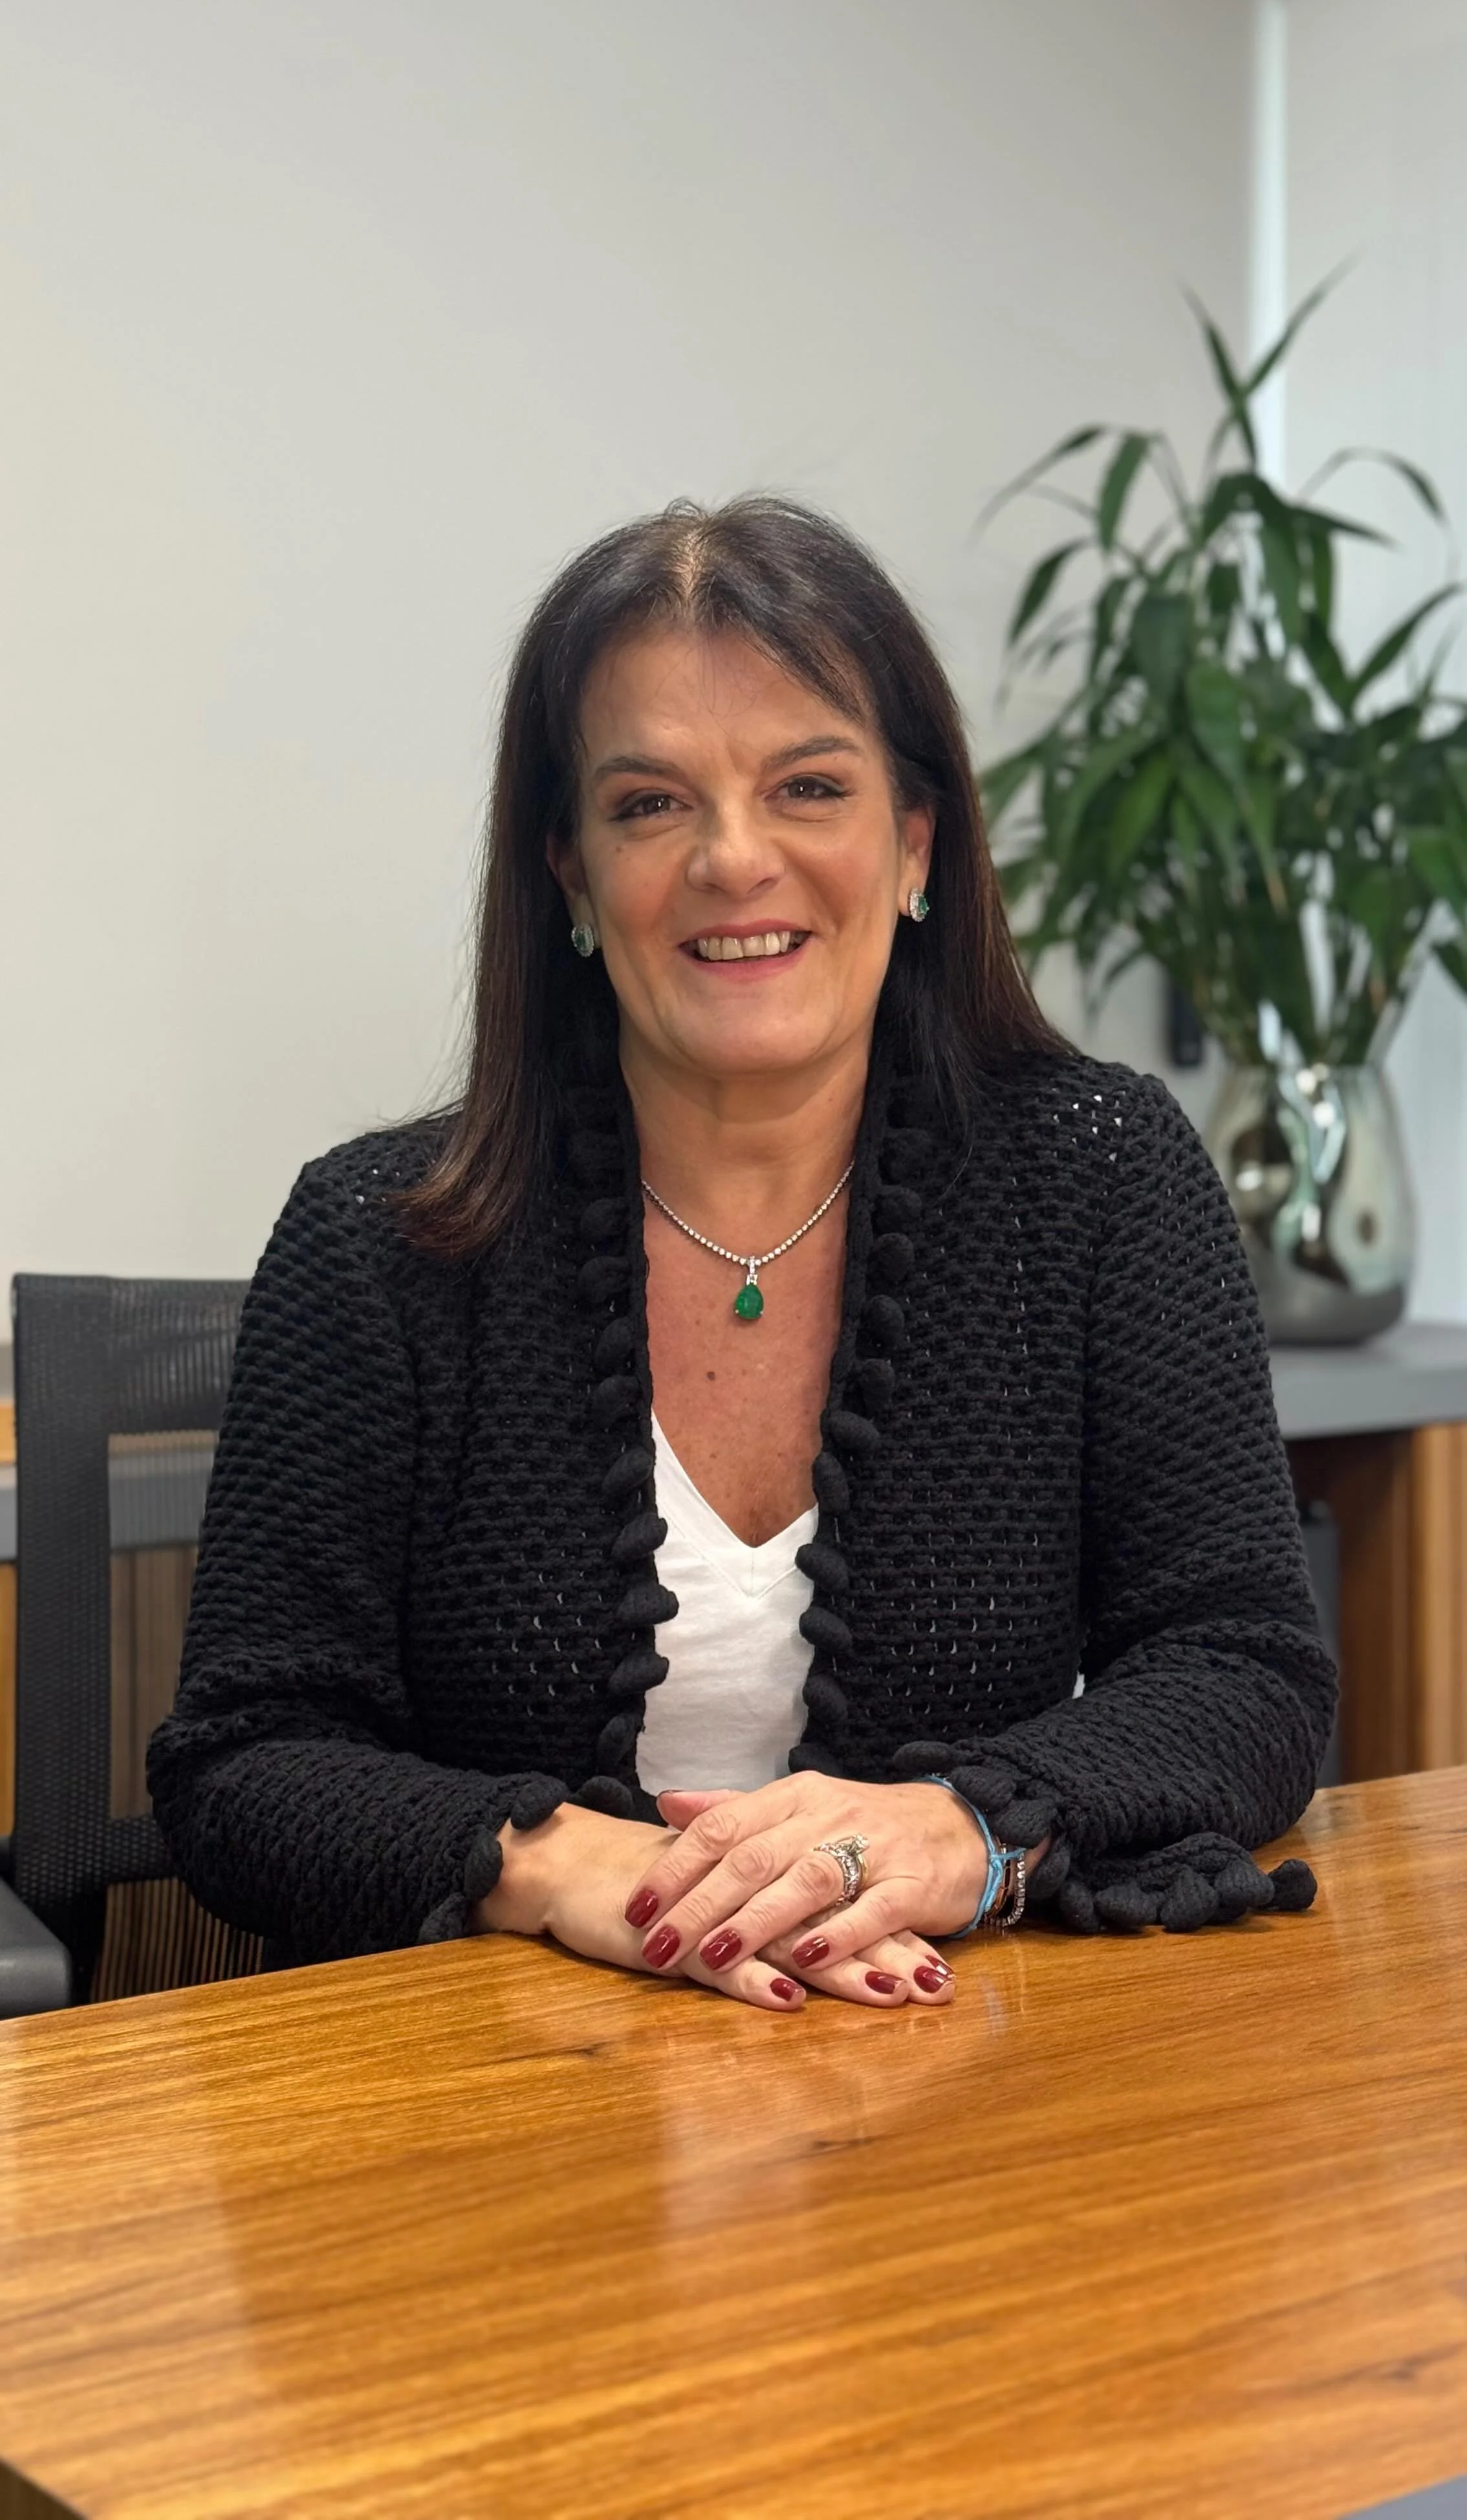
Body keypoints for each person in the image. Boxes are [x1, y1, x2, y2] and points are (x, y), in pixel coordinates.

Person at [148, 497, 1333, 2014]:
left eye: (809, 787)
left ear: (914, 845)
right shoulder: (378, 1237)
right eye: (650, 805)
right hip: (495, 2083)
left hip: (968, 2063)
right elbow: (244, 1760)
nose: (733, 858)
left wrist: (961, 1829)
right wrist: (568, 1865)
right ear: (572, 876)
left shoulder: (1099, 1174)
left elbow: (1244, 1668)